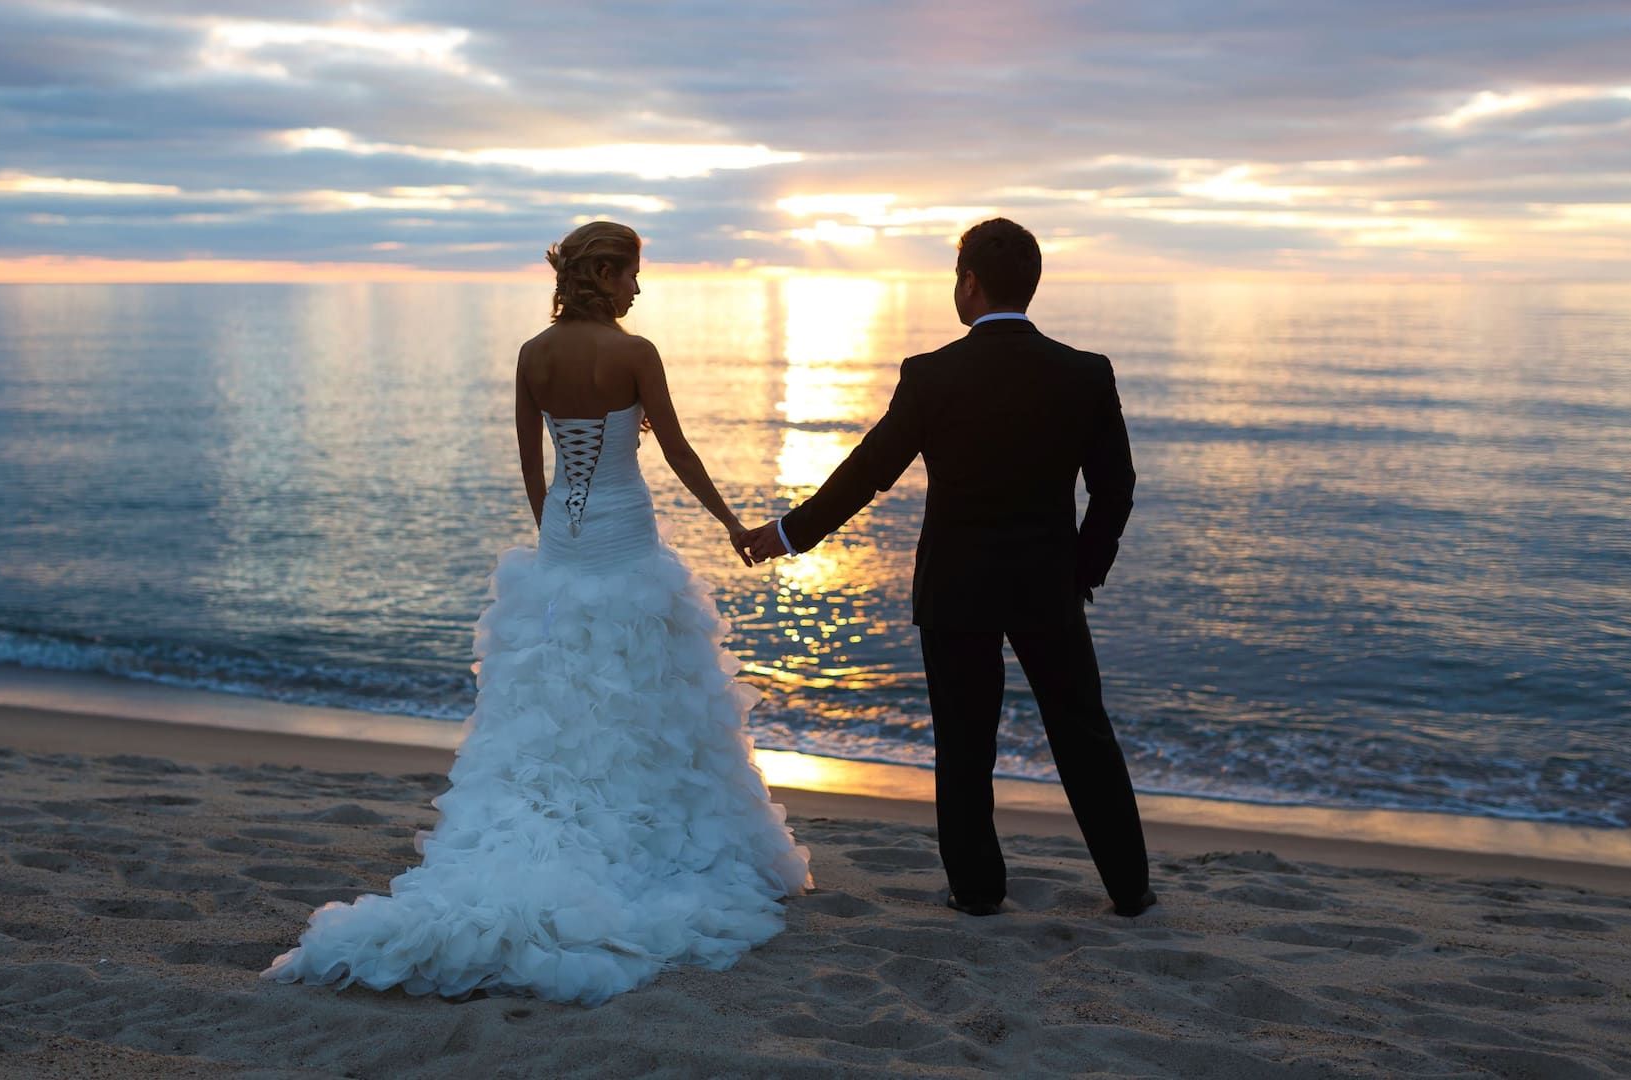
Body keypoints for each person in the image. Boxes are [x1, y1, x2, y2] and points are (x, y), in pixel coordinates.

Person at [262, 221, 811, 1007]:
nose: (637, 290)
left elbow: (532, 460)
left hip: (563, 534)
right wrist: (730, 524)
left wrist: (554, 532)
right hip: (624, 532)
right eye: (631, 276)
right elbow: (679, 453)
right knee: (642, 680)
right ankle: (640, 825)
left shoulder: (532, 353)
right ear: (607, 273)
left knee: (559, 684)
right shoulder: (635, 353)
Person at [742, 218, 1155, 918]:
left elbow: (869, 472)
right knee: (1082, 732)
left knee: (964, 743)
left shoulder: (932, 375)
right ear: (1031, 284)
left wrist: (790, 533)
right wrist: (1081, 569)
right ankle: (1129, 888)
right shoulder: (1085, 372)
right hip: (1046, 584)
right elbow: (1116, 487)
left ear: (968, 284)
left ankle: (976, 890)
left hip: (955, 586)